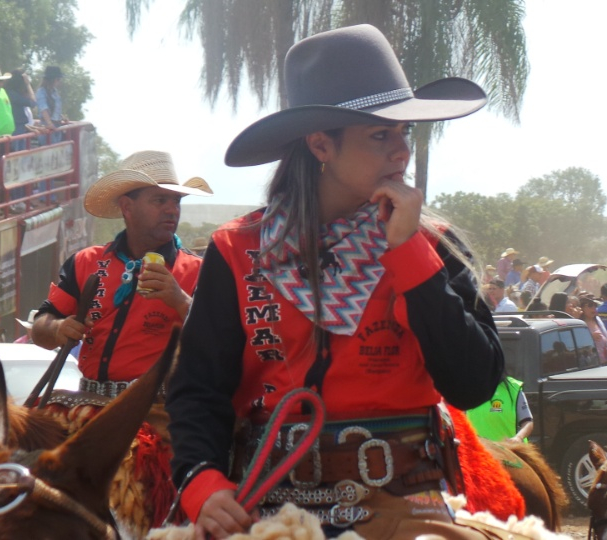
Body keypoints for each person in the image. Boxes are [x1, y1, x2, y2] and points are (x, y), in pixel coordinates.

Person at [164, 25, 503, 540]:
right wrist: (203, 484)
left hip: (405, 502)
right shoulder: (237, 249)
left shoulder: (435, 246)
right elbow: (198, 387)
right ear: (321, 144)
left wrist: (406, 249)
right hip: (268, 503)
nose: (401, 152)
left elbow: (474, 382)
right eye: (380, 135)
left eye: (403, 133)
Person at [31, 150, 213, 388]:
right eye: (160, 200)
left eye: (176, 201)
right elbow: (40, 327)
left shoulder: (198, 271)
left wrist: (180, 300)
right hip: (87, 400)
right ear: (127, 207)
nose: (172, 209)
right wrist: (57, 328)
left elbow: (220, 342)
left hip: (157, 410)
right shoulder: (86, 262)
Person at [466, 376, 534, 444]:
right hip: (478, 451)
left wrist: (518, 438)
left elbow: (528, 422)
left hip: (509, 451)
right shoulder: (468, 389)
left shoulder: (513, 388)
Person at [4, 68, 38, 146]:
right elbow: (33, 102)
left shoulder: (8, 93)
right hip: (17, 129)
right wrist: (28, 84)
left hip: (17, 127)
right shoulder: (13, 95)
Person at [36, 66, 66, 144]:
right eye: (58, 79)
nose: (59, 81)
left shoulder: (54, 91)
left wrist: (61, 117)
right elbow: (43, 109)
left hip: (57, 125)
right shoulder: (41, 92)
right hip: (47, 127)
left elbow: (55, 107)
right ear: (52, 80)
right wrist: (49, 123)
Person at [577, 295, 607, 363]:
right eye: (590, 305)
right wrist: (590, 337)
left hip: (604, 362)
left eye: (595, 305)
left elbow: (606, 341)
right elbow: (576, 344)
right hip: (589, 364)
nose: (594, 308)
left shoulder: (597, 320)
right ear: (582, 307)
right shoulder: (579, 324)